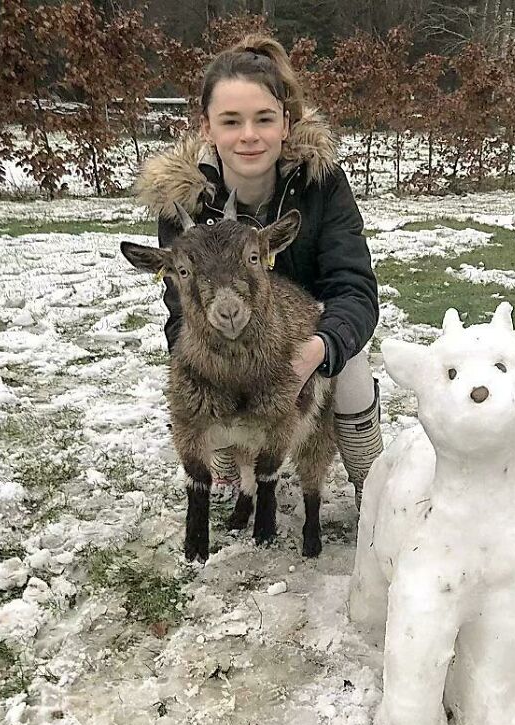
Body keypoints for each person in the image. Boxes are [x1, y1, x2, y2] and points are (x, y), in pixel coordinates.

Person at [136, 34, 382, 508]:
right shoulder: (181, 206)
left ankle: (372, 485)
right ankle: (233, 463)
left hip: (304, 331)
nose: (249, 135)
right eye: (231, 121)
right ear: (207, 127)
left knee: (350, 378)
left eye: (264, 119)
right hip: (224, 340)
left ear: (285, 123)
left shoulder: (321, 184)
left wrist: (322, 347)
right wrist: (203, 367)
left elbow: (353, 288)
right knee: (204, 393)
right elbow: (179, 307)